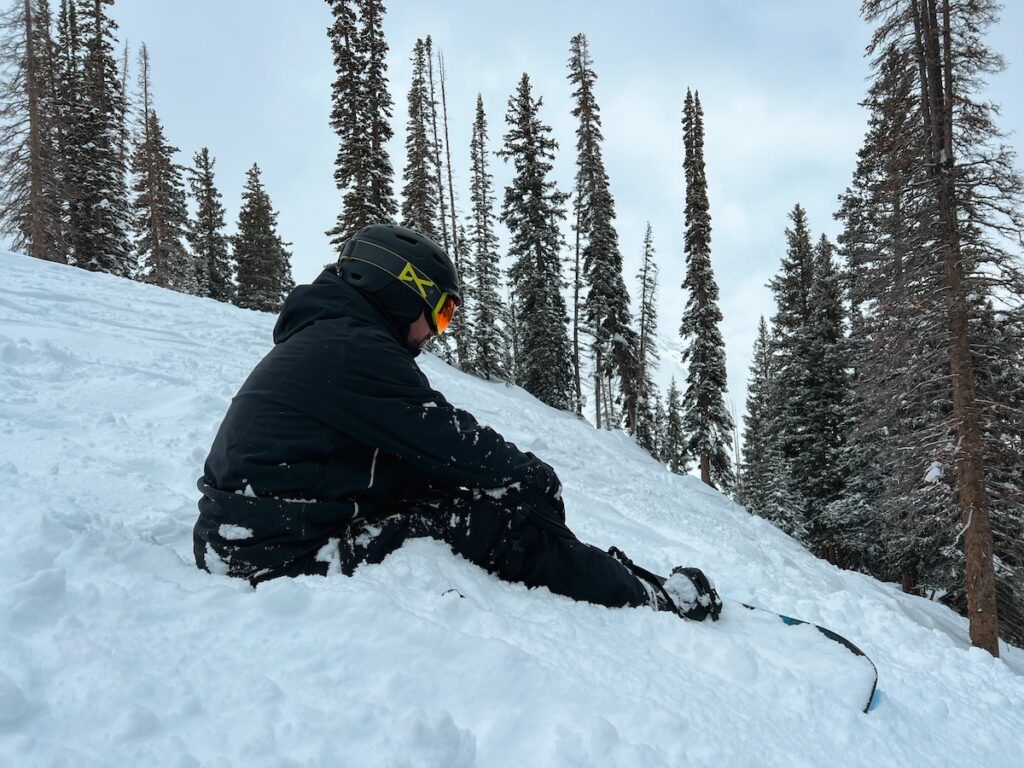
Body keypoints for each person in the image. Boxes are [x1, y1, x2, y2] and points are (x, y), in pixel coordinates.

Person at [194, 224, 722, 622]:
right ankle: (653, 602)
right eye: (441, 312)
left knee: (455, 493)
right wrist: (533, 477)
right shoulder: (353, 349)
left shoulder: (332, 339)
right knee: (496, 524)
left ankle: (609, 574)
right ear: (402, 290)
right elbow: (452, 442)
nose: (437, 331)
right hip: (277, 556)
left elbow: (420, 452)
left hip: (257, 535)